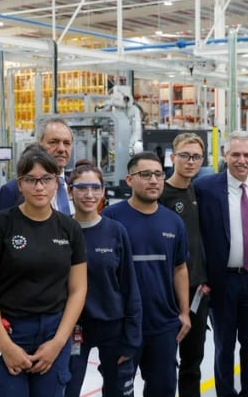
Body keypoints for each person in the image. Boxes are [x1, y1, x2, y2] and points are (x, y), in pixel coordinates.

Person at [0, 148, 87, 397]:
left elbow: (78, 289)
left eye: (46, 179)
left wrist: (58, 342)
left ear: (57, 183)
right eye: (30, 180)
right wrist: (6, 346)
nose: (39, 186)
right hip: (7, 329)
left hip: (53, 331)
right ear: (19, 184)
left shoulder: (69, 228)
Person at [194, 131, 248, 397]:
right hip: (223, 281)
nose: (242, 160)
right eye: (236, 154)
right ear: (225, 155)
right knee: (224, 345)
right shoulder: (206, 188)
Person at [102, 151, 190, 397]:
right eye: (145, 174)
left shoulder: (173, 222)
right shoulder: (111, 219)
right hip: (122, 326)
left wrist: (183, 313)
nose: (153, 180)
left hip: (162, 325)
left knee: (163, 389)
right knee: (118, 390)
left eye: (159, 174)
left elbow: (180, 268)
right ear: (129, 180)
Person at [64, 160, 142, 397]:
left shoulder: (115, 231)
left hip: (112, 326)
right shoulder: (61, 230)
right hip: (72, 327)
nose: (89, 194)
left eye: (95, 188)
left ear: (103, 191)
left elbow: (129, 285)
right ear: (70, 190)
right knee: (68, 387)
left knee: (118, 389)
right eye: (82, 188)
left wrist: (131, 337)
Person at [159, 133, 208, 397]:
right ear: (173, 157)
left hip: (197, 292)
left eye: (196, 157)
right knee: (164, 363)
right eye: (185, 155)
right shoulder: (160, 194)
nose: (190, 162)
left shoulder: (198, 191)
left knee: (193, 362)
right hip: (165, 293)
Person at [0, 117, 74, 214]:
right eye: (54, 142)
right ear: (39, 144)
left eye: (67, 143)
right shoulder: (12, 191)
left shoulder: (75, 188)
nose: (61, 149)